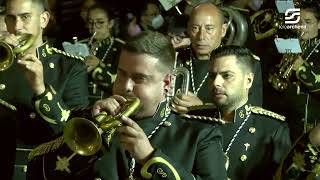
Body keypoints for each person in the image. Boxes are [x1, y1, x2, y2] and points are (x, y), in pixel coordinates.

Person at [26, 31, 228, 180]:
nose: (125, 86)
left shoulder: (200, 134)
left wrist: (149, 156)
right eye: (121, 74)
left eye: (139, 78)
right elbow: (39, 169)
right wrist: (90, 126)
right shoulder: (93, 121)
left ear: (166, 83)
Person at [0, 0, 89, 179]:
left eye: (25, 17)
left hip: (42, 170)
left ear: (43, 19)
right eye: (11, 18)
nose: (17, 27)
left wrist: (40, 89)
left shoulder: (70, 67)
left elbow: (77, 135)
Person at [187, 46, 291, 179]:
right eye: (212, 76)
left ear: (248, 81)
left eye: (227, 76)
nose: (216, 83)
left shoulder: (272, 129)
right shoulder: (195, 119)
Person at [171, 3, 263, 114]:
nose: (201, 36)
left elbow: (249, 114)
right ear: (188, 29)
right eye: (195, 28)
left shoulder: (247, 64)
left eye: (209, 29)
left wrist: (201, 108)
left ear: (223, 30)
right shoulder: (174, 58)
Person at [264, 1, 320, 141]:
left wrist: (302, 68)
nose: (302, 26)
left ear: (319, 24)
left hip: (306, 123)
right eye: (299, 21)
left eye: (308, 22)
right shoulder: (292, 42)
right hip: (283, 116)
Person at [84, 3, 124, 105]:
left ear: (110, 23)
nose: (94, 27)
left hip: (108, 106)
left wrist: (98, 67)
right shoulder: (80, 45)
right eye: (90, 22)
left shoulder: (122, 48)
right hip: (80, 105)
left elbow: (122, 84)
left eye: (100, 22)